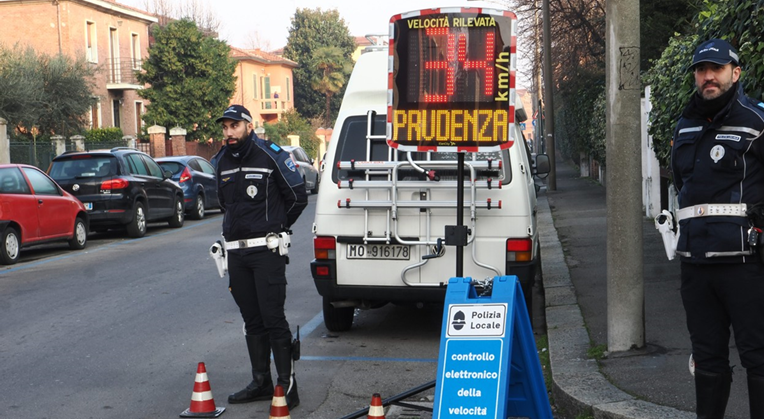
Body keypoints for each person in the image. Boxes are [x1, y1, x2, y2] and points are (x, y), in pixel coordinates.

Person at [671, 39, 764, 419]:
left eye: (717, 69)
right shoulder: (685, 124)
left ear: (735, 72)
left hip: (745, 263)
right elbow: (682, 183)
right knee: (707, 357)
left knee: (757, 355)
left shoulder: (756, 121)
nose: (708, 76)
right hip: (694, 261)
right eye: (701, 69)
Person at [211, 105, 308, 410]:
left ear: (249, 127)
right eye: (225, 127)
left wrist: (276, 227)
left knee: (272, 317)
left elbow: (297, 197)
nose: (229, 133)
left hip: (266, 250)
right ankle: (261, 382)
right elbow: (226, 204)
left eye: (234, 126)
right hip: (236, 253)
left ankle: (286, 385)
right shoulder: (220, 161)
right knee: (252, 319)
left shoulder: (271, 155)